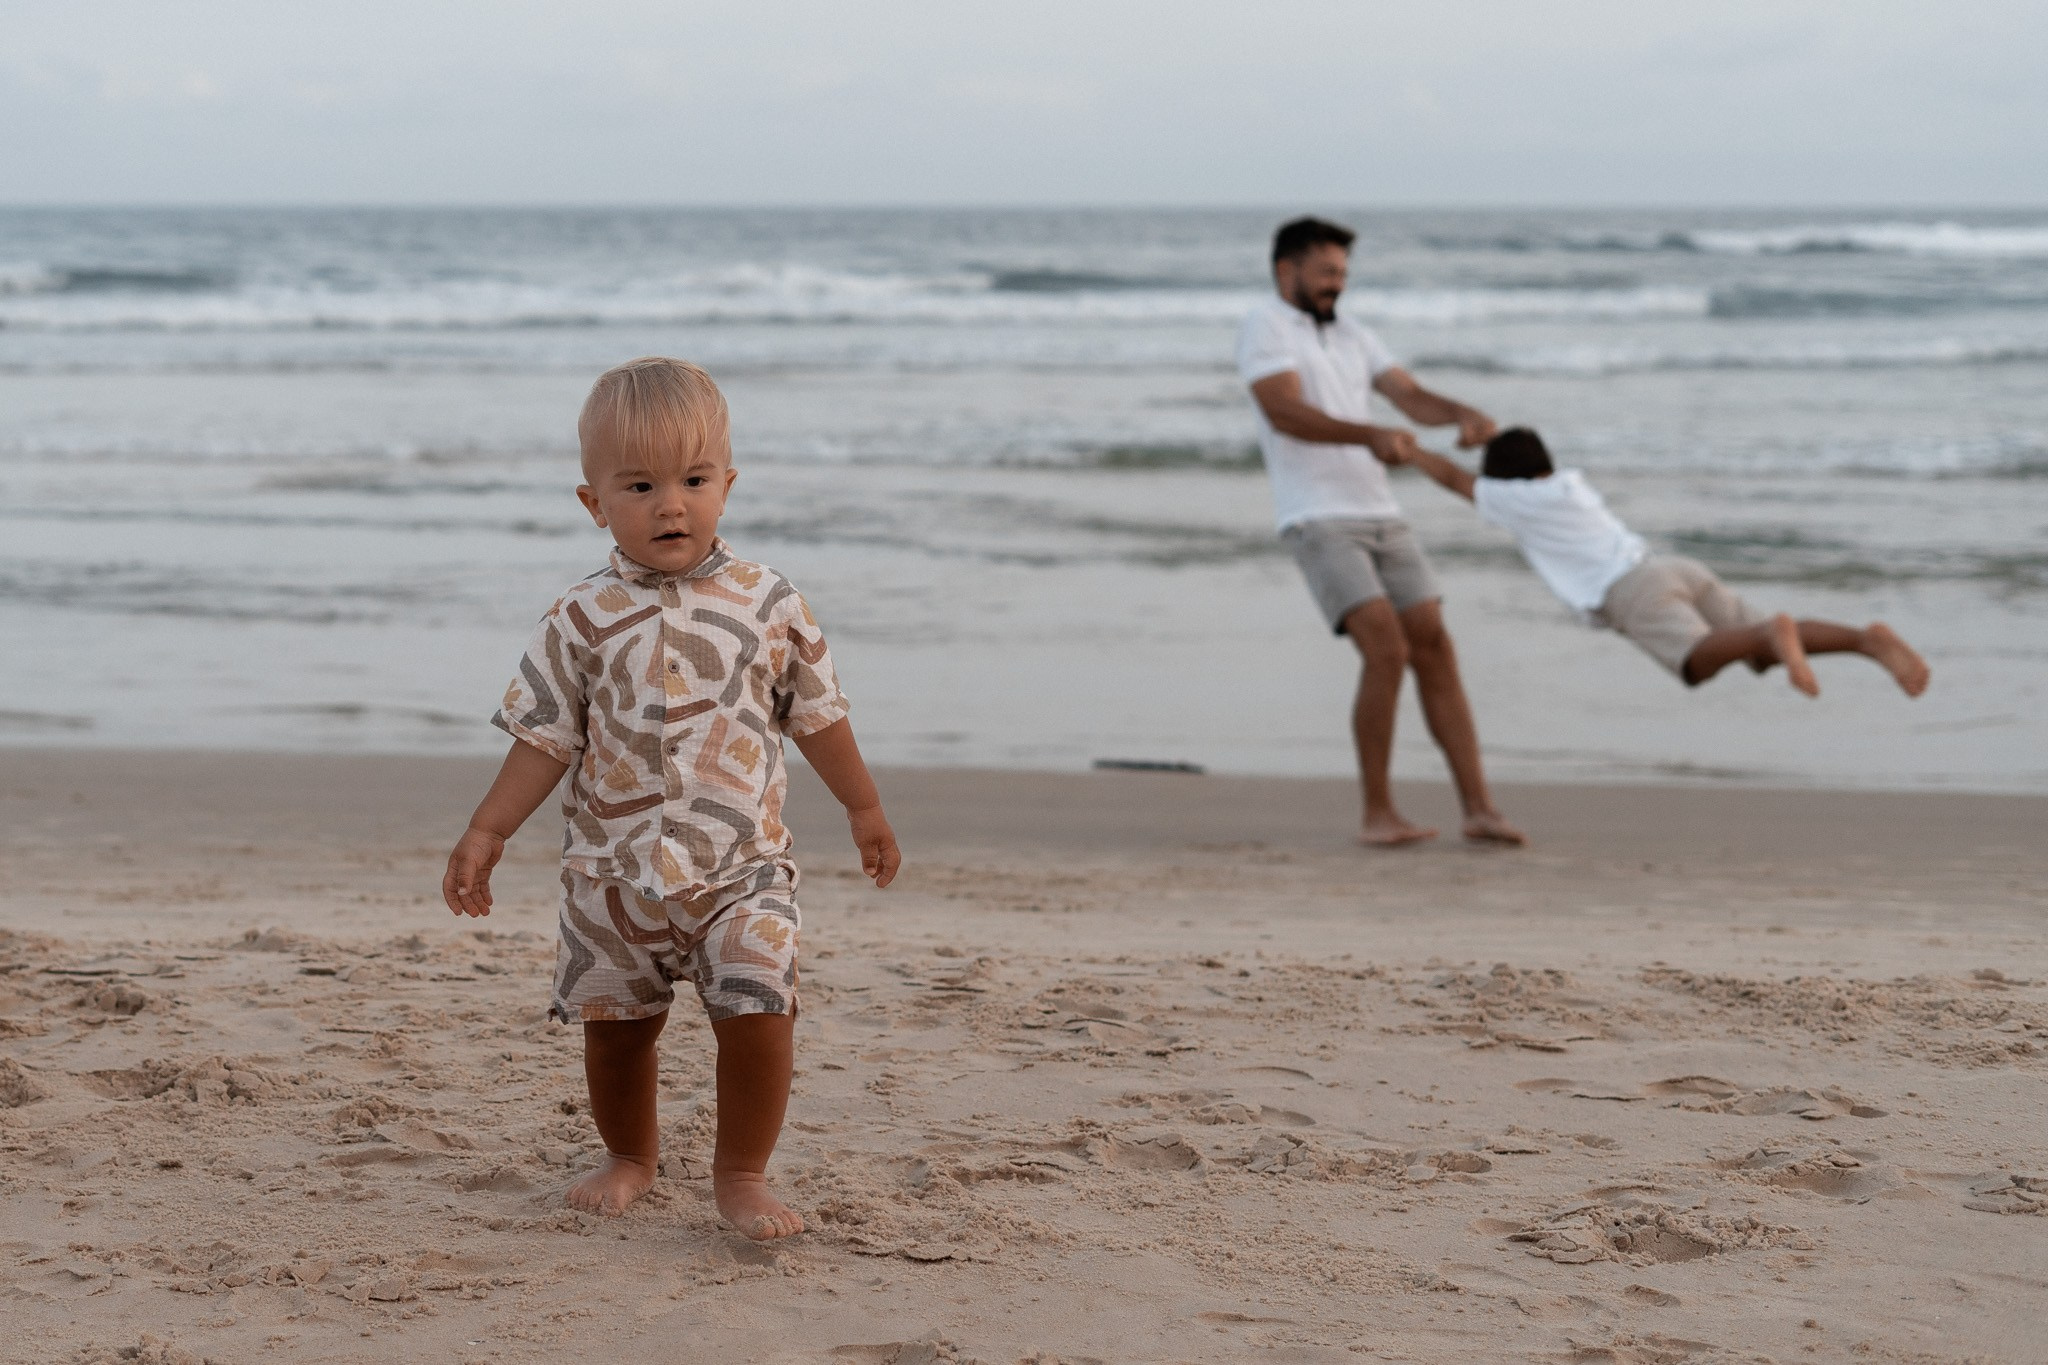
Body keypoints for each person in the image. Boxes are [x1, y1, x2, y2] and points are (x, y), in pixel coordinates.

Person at [440, 356, 901, 1239]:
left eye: (693, 481)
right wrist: (487, 827)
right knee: (615, 1027)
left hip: (742, 868)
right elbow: (543, 737)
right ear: (594, 503)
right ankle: (630, 1153)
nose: (670, 505)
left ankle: (741, 1170)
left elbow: (819, 715)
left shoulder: (770, 602)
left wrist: (864, 807)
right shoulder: (578, 617)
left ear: (728, 484)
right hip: (612, 876)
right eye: (641, 485)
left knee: (760, 1006)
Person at [1238, 216, 1525, 847]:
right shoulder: (1267, 326)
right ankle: (1377, 813)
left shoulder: (1355, 335)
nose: (1336, 284)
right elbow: (1283, 411)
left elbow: (1410, 395)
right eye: (1326, 272)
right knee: (1385, 649)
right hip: (1317, 515)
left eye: (1342, 272)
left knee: (1434, 643)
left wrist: (1463, 415)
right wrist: (1369, 435)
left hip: (1380, 511)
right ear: (1287, 270)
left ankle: (1478, 809)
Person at [1404, 427, 1932, 698]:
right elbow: (1506, 453)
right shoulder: (1567, 485)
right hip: (1673, 568)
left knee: (1698, 663)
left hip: (1633, 591)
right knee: (1755, 650)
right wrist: (1480, 430)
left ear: (1503, 479)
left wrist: (1411, 451)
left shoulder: (1513, 499)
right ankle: (1865, 640)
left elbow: (1455, 479)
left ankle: (1775, 632)